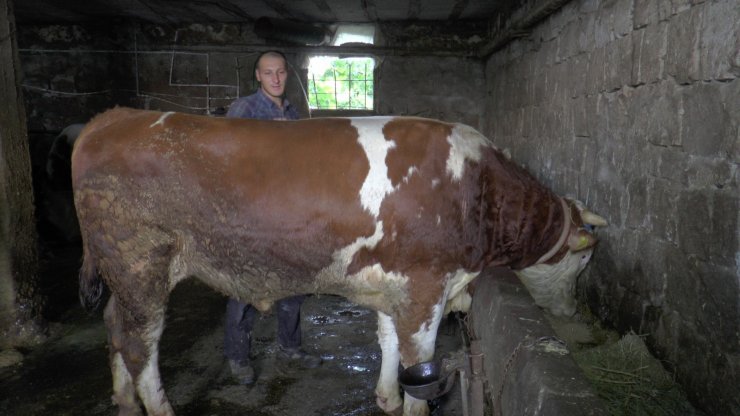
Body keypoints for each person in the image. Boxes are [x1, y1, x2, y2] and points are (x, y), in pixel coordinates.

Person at [224, 50, 322, 385]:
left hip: (288, 211)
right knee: (246, 287)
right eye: (269, 73)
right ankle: (238, 359)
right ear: (258, 76)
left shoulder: (294, 111)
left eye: (281, 72)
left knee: (293, 284)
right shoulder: (244, 109)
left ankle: (290, 347)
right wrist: (268, 138)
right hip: (252, 214)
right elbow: (229, 160)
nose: (276, 79)